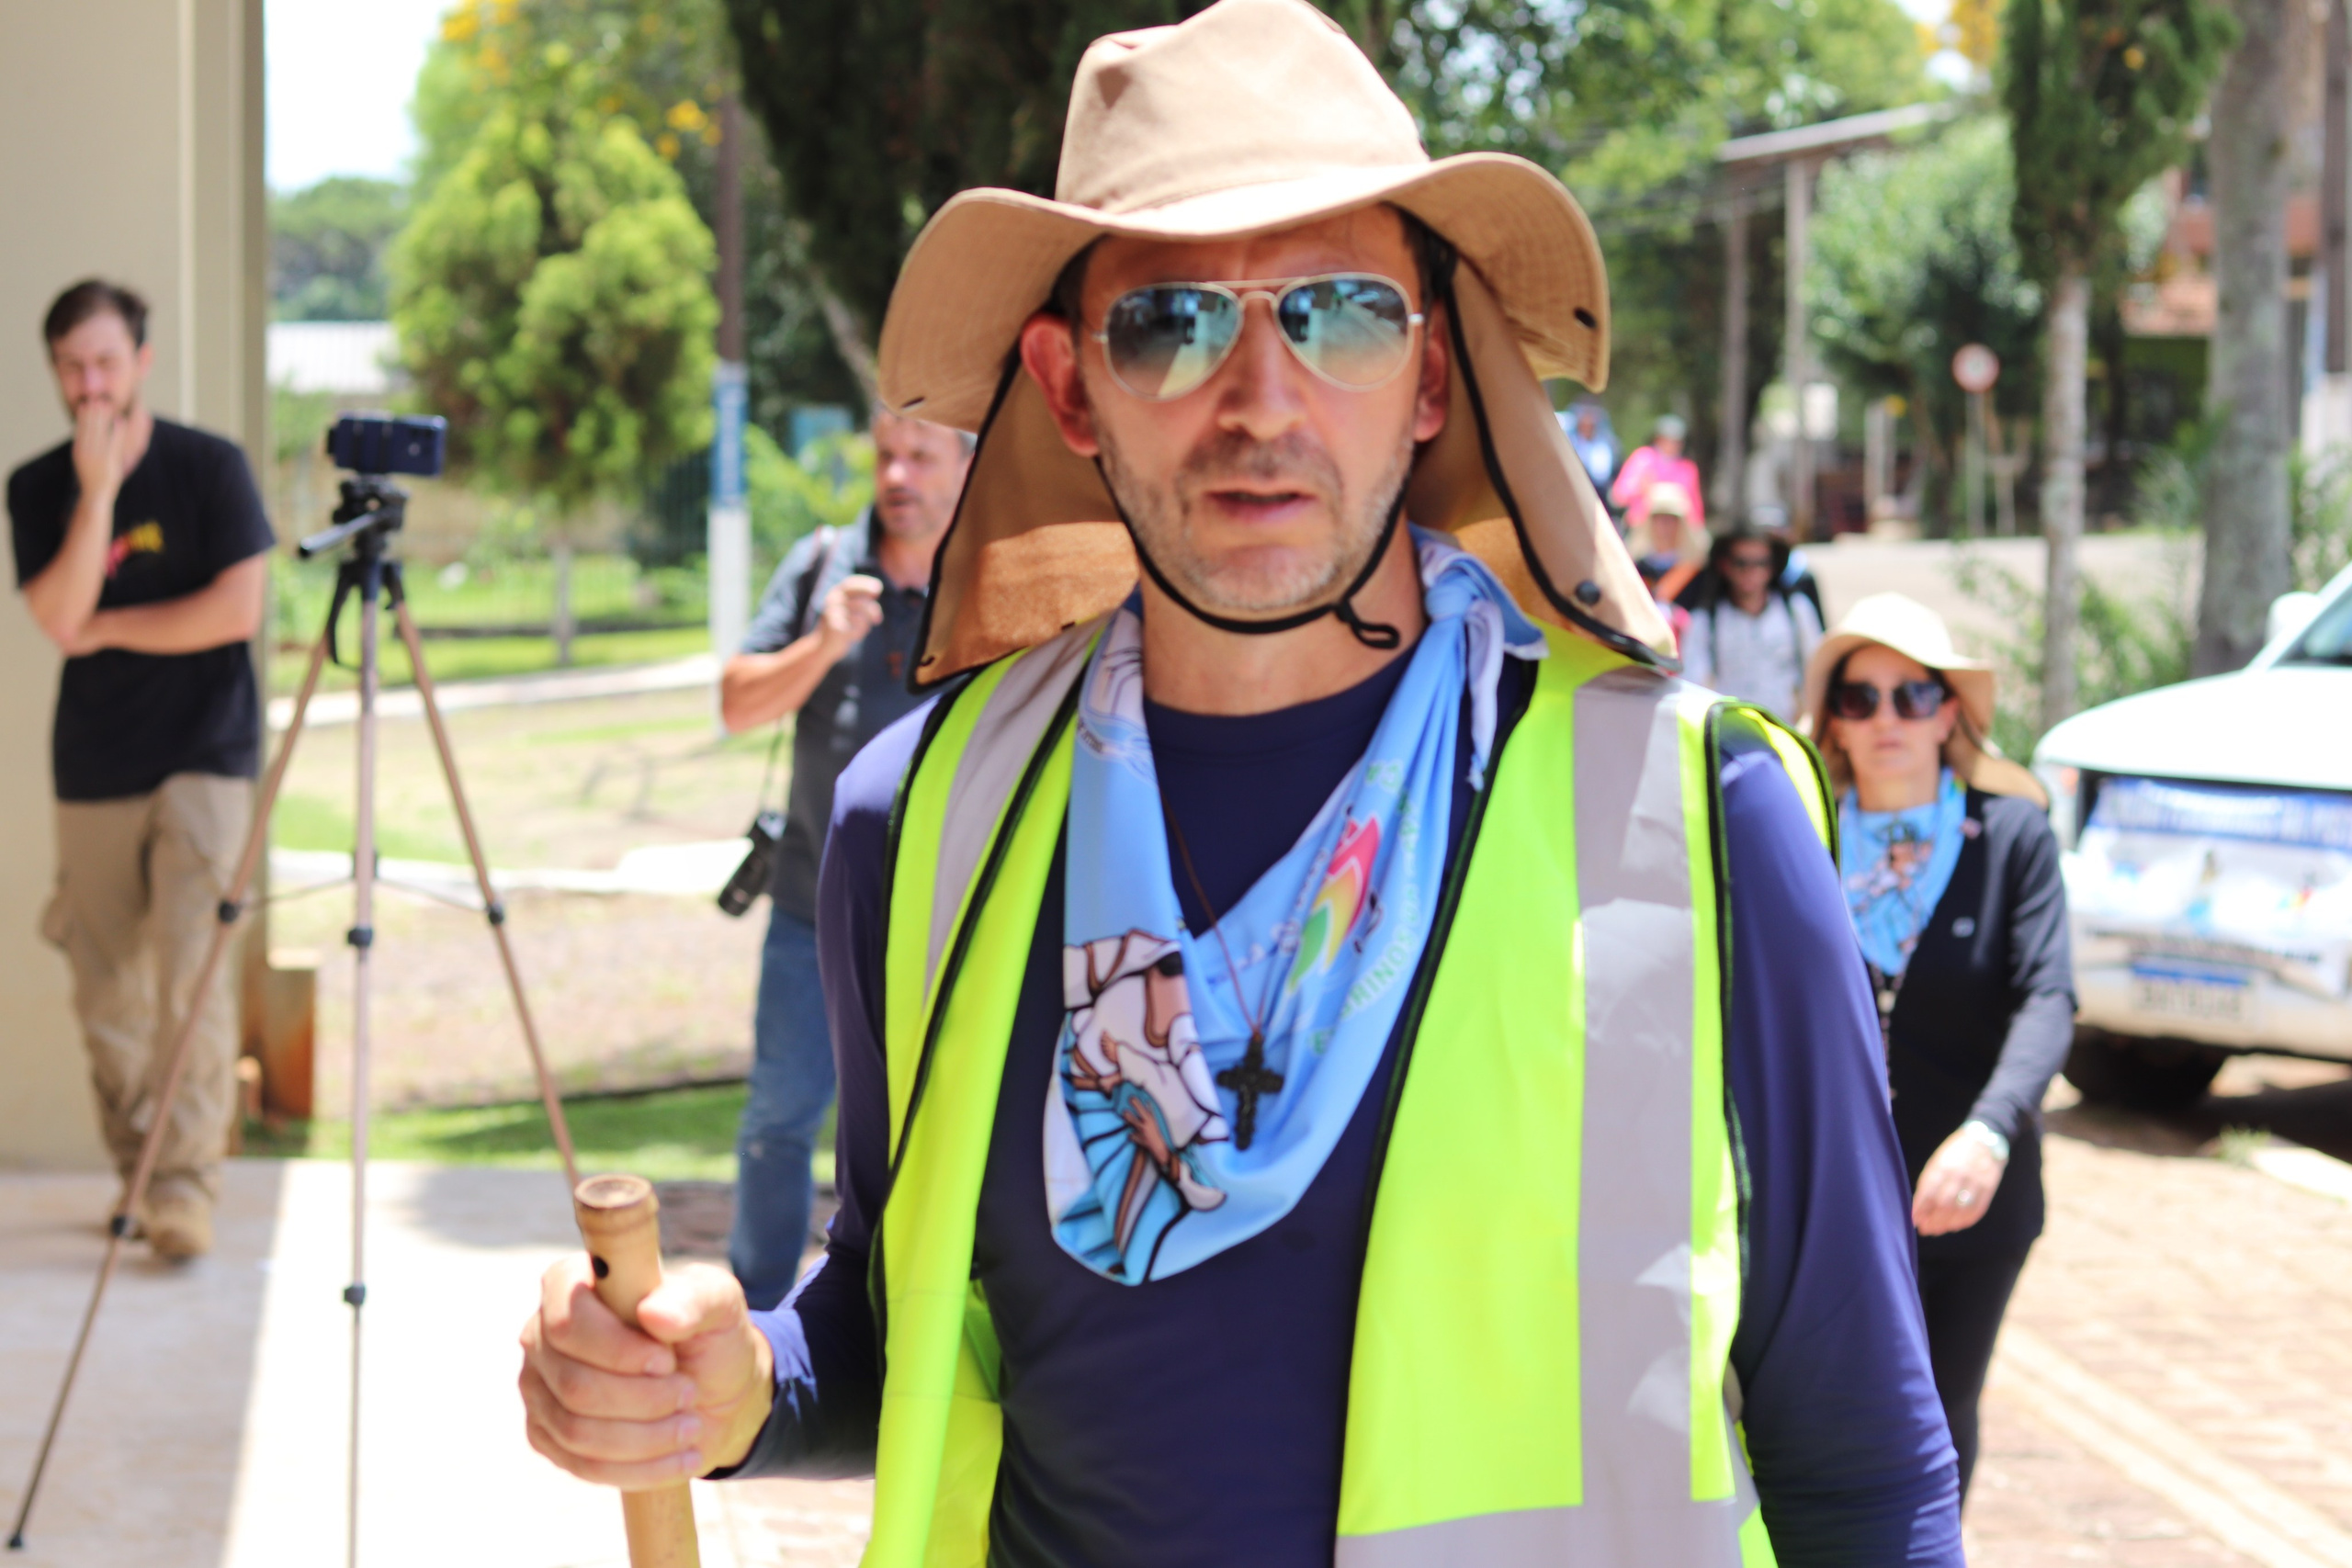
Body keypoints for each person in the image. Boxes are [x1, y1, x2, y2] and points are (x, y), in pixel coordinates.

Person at [517, 5, 1966, 1562]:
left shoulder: (1697, 822)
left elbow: (1864, 1464)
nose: (1260, 403)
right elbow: (901, 1318)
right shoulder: (922, 823)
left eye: (1339, 314)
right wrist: (729, 1390)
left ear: (1428, 377)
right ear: (1071, 392)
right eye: (1173, 324)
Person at [6, 279, 273, 1260]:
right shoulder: (38, 486)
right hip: (94, 764)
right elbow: (55, 615)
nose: (91, 385)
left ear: (142, 362)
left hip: (204, 756)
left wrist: (107, 626)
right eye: (73, 368)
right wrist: (101, 492)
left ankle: (185, 1187)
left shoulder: (211, 469)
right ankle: (140, 1170)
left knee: (193, 978)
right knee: (104, 990)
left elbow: (235, 611)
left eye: (107, 363)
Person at [1800, 592, 2075, 1505]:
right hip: (1823, 1195)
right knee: (1819, 1419)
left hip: (1969, 1198)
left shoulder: (2011, 840)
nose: (1886, 718)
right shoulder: (1793, 838)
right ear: (1832, 719)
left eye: (1911, 696)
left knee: (1936, 1420)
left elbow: (2047, 997)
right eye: (1859, 697)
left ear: (1948, 710)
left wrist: (1990, 1130)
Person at [716, 408, 972, 1309]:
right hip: (808, 908)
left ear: (962, 466)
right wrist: (824, 642)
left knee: (932, 1124)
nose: (897, 475)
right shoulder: (823, 563)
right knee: (779, 1124)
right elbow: (737, 705)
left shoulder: (987, 576)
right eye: (887, 456)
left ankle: (904, 1312)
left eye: (920, 457)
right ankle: (753, 1325)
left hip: (948, 916)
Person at [1682, 525, 1825, 721]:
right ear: (1725, 565)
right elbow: (1693, 682)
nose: (1751, 571)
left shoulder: (1796, 610)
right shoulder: (1705, 620)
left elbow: (1817, 668)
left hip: (1788, 730)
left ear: (1771, 568)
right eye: (1741, 563)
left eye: (1760, 563)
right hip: (1732, 733)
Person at [1610, 411, 1704, 538]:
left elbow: (1695, 508)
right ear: (1658, 439)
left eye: (1677, 441)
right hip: (1642, 528)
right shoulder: (1642, 459)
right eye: (1668, 439)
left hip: (1677, 534)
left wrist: (1697, 531)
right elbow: (1618, 495)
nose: (1673, 445)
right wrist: (1640, 488)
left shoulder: (1688, 468)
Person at [1558, 397, 1615, 497]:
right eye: (1585, 415)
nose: (1588, 421)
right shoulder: (1568, 439)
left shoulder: (1605, 444)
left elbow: (1602, 475)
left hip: (1596, 492)